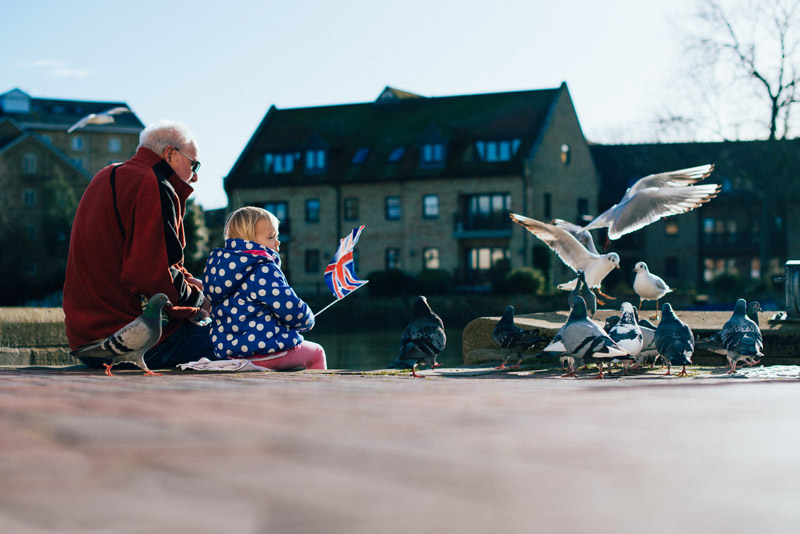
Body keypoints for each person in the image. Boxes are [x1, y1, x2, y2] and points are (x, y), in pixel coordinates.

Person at [63, 120, 215, 369]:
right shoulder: (152, 183)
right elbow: (152, 276)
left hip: (87, 340)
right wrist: (200, 301)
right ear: (170, 154)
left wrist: (190, 283)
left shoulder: (107, 175)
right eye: (193, 164)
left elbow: (156, 259)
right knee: (247, 338)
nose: (195, 176)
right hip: (136, 344)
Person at [203, 206, 326, 370]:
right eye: (271, 237)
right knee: (317, 352)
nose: (277, 242)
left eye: (277, 236)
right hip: (266, 353)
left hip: (232, 355)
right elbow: (289, 308)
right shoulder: (263, 268)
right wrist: (307, 320)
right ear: (249, 241)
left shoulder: (219, 271)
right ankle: (315, 395)